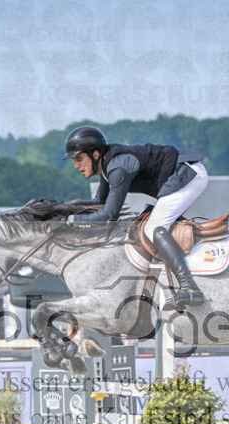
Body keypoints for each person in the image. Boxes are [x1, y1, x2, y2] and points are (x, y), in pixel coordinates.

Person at [62, 125, 209, 308]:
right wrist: (66, 214)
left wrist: (71, 221)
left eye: (79, 159)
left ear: (96, 154)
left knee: (154, 229)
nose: (76, 165)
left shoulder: (117, 168)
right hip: (181, 173)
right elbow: (98, 204)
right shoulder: (107, 167)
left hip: (189, 173)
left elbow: (109, 216)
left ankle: (190, 288)